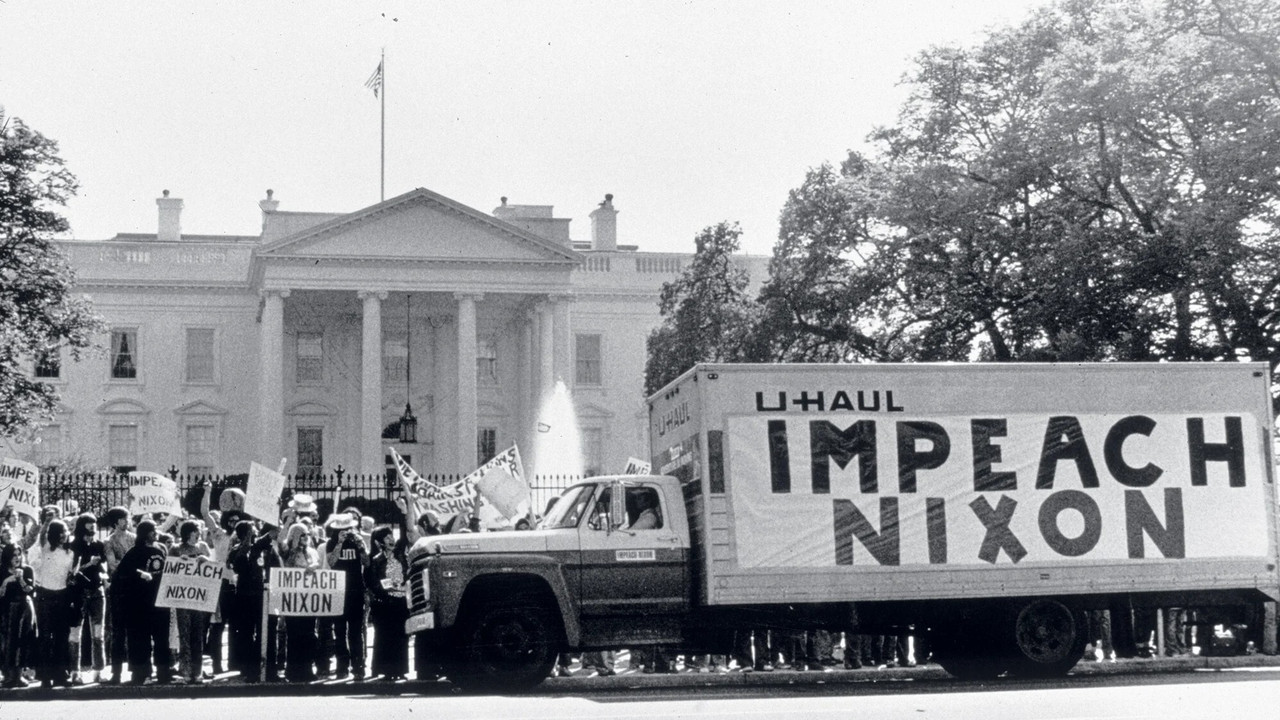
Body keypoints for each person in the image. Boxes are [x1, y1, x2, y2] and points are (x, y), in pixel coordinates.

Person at [114, 520, 172, 685]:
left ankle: (163, 672)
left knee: (162, 638)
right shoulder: (134, 552)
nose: (155, 533)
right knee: (140, 638)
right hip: (139, 603)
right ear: (145, 533)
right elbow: (123, 571)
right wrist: (141, 574)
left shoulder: (160, 549)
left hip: (160, 601)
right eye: (152, 530)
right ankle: (140, 673)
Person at [28, 514, 75, 688]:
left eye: (66, 531)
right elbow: (41, 536)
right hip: (45, 596)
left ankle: (61, 674)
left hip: (62, 596)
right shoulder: (46, 548)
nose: (65, 535)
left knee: (62, 637)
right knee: (46, 637)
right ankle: (45, 676)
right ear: (54, 534)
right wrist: (47, 521)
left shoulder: (70, 552)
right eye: (61, 532)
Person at [324, 513, 369, 680]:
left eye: (348, 528)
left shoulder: (358, 541)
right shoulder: (331, 542)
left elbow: (366, 562)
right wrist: (339, 543)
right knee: (340, 631)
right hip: (339, 591)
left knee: (356, 631)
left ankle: (358, 666)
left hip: (355, 590)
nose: (346, 531)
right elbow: (332, 562)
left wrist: (361, 546)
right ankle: (342, 666)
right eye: (342, 529)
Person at [68, 513, 108, 684]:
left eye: (94, 523)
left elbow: (104, 564)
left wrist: (104, 574)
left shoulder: (99, 544)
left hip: (97, 591)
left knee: (98, 633)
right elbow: (71, 572)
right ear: (81, 526)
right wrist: (88, 564)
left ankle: (98, 670)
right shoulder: (73, 545)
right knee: (75, 633)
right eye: (88, 524)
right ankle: (75, 672)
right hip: (79, 592)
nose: (92, 527)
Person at [366, 525, 408, 681]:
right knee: (385, 636)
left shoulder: (400, 555)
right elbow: (373, 582)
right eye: (387, 538)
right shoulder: (376, 560)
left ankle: (401, 669)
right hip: (385, 602)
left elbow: (405, 536)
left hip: (401, 600)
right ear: (379, 542)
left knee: (401, 635)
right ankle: (385, 669)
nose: (391, 540)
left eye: (392, 536)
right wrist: (388, 587)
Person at [101, 506, 135, 685]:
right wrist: (132, 566)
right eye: (123, 518)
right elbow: (112, 565)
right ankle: (116, 673)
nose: (126, 521)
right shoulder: (109, 541)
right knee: (117, 632)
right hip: (119, 589)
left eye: (127, 517)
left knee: (134, 630)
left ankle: (135, 670)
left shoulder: (134, 538)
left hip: (134, 588)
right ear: (116, 521)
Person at [0, 543, 36, 687]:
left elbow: (30, 590)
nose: (17, 558)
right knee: (6, 642)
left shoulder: (27, 570)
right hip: (6, 609)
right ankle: (8, 675)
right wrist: (6, 581)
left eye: (18, 554)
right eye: (13, 555)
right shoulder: (2, 570)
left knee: (22, 640)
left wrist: (20, 579)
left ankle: (19, 675)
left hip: (23, 607)